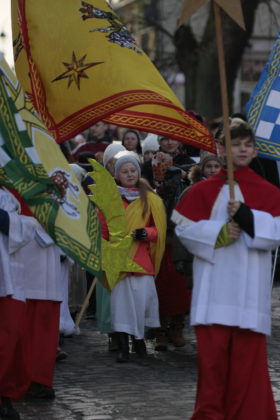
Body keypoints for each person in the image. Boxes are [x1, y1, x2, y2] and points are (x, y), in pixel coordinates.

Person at [172, 118, 280, 419]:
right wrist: (217, 233)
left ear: (256, 151)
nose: (242, 150)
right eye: (235, 144)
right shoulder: (202, 191)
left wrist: (246, 217)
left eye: (248, 145)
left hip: (249, 296)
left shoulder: (269, 192)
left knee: (248, 370)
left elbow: (277, 232)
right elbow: (184, 229)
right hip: (214, 294)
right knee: (212, 367)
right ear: (222, 148)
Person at [0, 187, 62, 419]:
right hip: (15, 270)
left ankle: (6, 395)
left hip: (10, 276)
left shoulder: (8, 193)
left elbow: (24, 227)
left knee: (10, 337)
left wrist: (6, 221)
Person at [98, 154, 166, 362]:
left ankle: (139, 342)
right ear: (117, 175)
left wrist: (147, 233)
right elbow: (102, 231)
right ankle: (124, 346)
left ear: (138, 172)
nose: (129, 174)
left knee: (141, 303)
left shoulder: (151, 199)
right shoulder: (109, 199)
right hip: (119, 263)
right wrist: (109, 248)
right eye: (125, 171)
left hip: (141, 260)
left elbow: (159, 229)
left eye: (133, 170)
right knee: (120, 305)